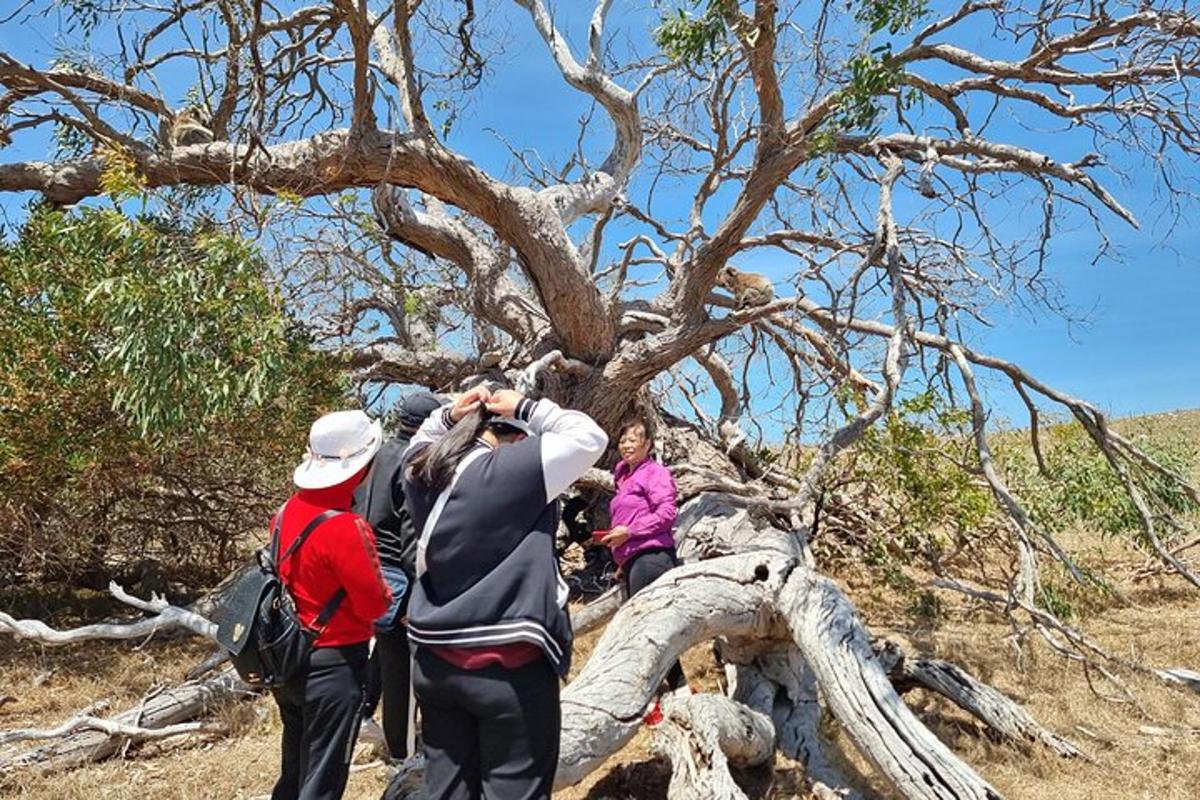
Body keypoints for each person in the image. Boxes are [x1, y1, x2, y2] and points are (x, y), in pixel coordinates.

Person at [402, 385, 607, 800]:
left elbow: (420, 439)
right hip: (508, 666)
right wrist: (526, 406)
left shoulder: (422, 469)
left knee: (446, 792)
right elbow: (590, 437)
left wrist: (447, 416)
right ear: (516, 434)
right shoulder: (513, 468)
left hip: (434, 660)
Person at [271, 410, 393, 800]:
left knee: (296, 767)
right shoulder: (346, 527)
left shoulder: (285, 511)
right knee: (323, 777)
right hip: (334, 664)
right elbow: (375, 605)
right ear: (361, 466)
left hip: (287, 657)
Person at [355, 390, 444, 763]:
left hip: (367, 571)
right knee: (404, 675)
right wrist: (419, 593)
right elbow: (411, 533)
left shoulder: (373, 456)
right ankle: (403, 752)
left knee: (385, 658)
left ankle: (364, 718)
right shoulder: (414, 460)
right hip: (398, 579)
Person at [599, 416, 687, 696]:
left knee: (649, 627)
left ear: (647, 444)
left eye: (633, 440)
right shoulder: (624, 476)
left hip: (653, 557)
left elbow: (666, 514)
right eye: (623, 440)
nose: (626, 445)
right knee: (643, 628)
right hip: (635, 560)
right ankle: (669, 689)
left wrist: (630, 532)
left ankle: (673, 690)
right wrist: (622, 559)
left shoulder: (655, 473)